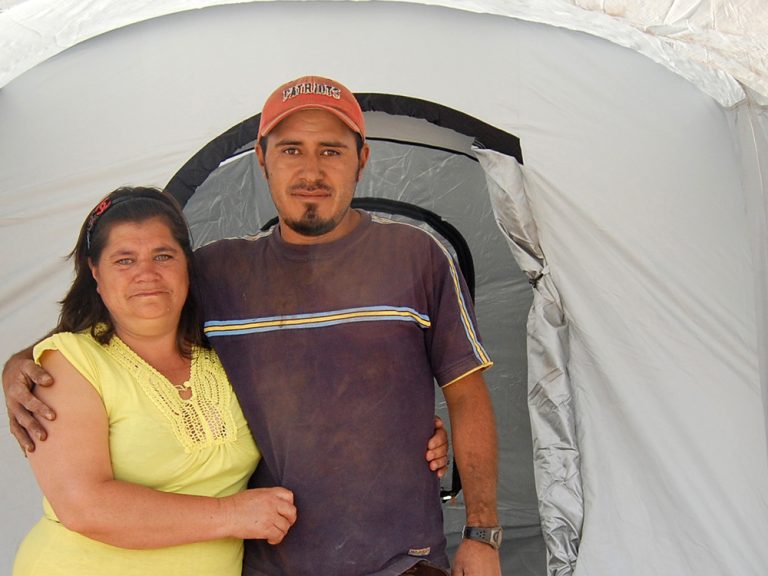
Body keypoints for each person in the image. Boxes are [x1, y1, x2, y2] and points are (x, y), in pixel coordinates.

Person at [5, 76, 500, 575]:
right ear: (262, 160)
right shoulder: (219, 272)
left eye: (331, 151)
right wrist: (21, 363)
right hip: (271, 561)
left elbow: (467, 394)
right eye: (291, 150)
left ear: (362, 159)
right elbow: (128, 310)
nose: (311, 170)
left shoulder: (416, 257)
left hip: (402, 559)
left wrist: (482, 532)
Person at [10, 187, 298, 576]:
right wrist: (231, 515)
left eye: (163, 256)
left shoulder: (227, 353)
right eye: (124, 260)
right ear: (95, 272)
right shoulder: (69, 362)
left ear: (186, 265)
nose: (147, 273)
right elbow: (83, 505)